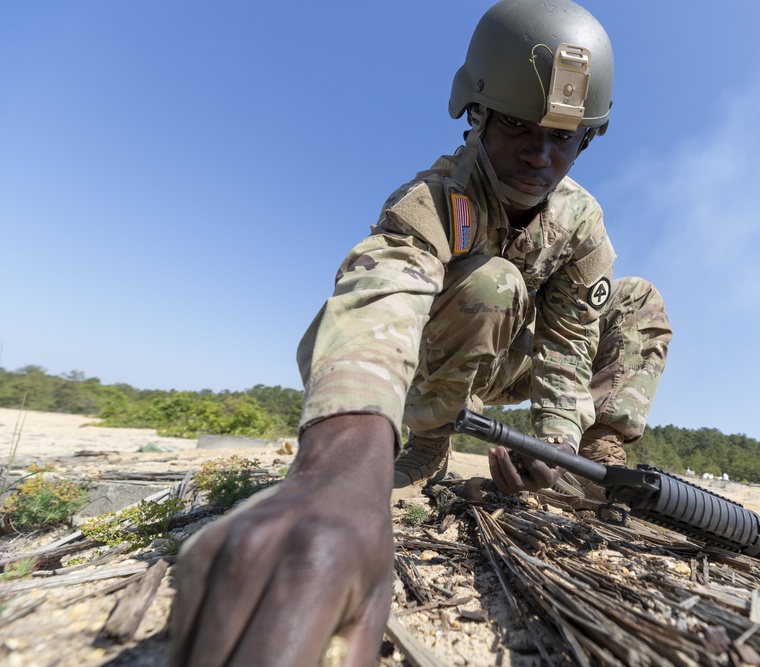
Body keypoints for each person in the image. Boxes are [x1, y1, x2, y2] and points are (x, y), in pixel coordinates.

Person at [170, 1, 671, 664]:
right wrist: (340, 472)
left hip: (508, 358)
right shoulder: (436, 199)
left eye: (563, 137)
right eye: (520, 127)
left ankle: (595, 462)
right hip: (428, 350)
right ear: (479, 115)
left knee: (640, 301)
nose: (541, 154)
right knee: (493, 283)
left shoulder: (582, 223)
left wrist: (554, 453)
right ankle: (427, 445)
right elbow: (386, 294)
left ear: (585, 140)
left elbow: (568, 347)